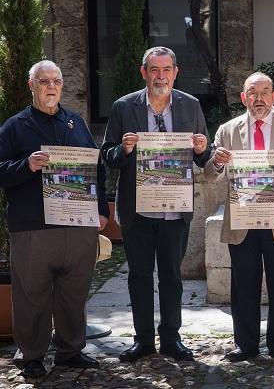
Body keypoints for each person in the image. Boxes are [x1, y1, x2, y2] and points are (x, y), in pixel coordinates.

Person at [0, 60, 109, 378]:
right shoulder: (14, 126)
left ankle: (70, 351)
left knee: (73, 293)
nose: (51, 86)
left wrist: (101, 210)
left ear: (62, 86)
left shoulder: (76, 123)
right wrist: (26, 165)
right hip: (33, 226)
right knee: (31, 293)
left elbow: (96, 169)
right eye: (44, 81)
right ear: (31, 85)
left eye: (56, 81)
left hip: (77, 225)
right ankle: (32, 355)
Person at [102, 46, 211, 362]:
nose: (160, 76)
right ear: (144, 73)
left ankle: (172, 338)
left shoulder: (190, 106)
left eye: (166, 70)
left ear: (175, 72)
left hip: (175, 209)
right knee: (138, 276)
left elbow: (203, 156)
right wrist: (122, 149)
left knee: (172, 277)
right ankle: (143, 340)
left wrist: (203, 148)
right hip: (138, 210)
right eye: (154, 70)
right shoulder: (124, 108)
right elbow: (108, 157)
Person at [206, 72, 274, 363]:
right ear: (243, 97)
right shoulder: (226, 130)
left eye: (265, 92)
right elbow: (210, 175)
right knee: (243, 284)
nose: (259, 99)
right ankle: (246, 345)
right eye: (252, 93)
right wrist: (216, 162)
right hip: (243, 219)